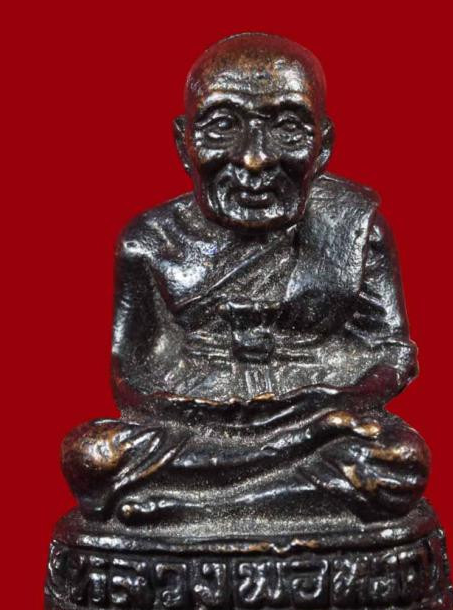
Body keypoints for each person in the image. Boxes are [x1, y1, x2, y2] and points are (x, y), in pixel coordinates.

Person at [62, 33, 429, 527]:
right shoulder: (149, 241)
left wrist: (324, 405)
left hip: (320, 413)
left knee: (398, 460)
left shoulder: (352, 228)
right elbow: (132, 375)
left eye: (287, 128)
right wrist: (228, 418)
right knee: (93, 455)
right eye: (222, 126)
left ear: (323, 146)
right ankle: (257, 492)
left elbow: (391, 351)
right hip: (203, 422)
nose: (255, 158)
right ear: (183, 143)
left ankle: (189, 507)